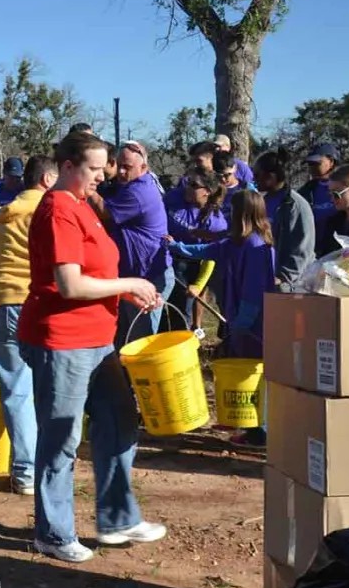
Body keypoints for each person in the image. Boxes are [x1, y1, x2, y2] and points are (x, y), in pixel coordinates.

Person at [19, 131, 165, 564]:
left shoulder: (83, 205)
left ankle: (118, 518)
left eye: (107, 169)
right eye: (96, 169)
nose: (105, 176)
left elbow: (95, 272)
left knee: (120, 422)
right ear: (67, 167)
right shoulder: (58, 209)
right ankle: (53, 532)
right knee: (62, 436)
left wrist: (125, 293)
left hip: (99, 340)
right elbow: (69, 283)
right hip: (62, 340)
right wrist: (130, 283)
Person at [170, 190, 276, 448]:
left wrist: (243, 321)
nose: (227, 214)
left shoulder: (256, 246)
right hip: (236, 320)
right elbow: (207, 249)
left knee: (257, 375)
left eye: (231, 210)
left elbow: (255, 290)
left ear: (244, 213)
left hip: (255, 325)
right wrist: (175, 246)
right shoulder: (233, 243)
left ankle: (261, 431)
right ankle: (249, 426)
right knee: (244, 371)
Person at [0, 155, 56, 497]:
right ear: (46, 180)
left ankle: (25, 472)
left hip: (2, 303)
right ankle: (48, 467)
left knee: (16, 389)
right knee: (50, 386)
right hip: (39, 304)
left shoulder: (4, 214)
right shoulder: (50, 211)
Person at [104, 142, 174, 344]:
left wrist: (83, 185)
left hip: (150, 277)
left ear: (143, 168)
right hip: (132, 276)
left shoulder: (138, 192)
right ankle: (126, 376)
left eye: (128, 167)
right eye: (120, 166)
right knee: (122, 340)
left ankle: (145, 376)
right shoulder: (124, 187)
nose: (122, 172)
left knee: (140, 342)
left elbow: (104, 213)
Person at [165, 167, 227, 326]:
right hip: (162, 258)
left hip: (187, 268)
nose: (187, 186)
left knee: (179, 314)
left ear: (207, 191)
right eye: (187, 181)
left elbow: (211, 257)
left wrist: (198, 285)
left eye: (193, 184)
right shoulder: (174, 197)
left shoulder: (215, 222)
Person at [253, 151, 316, 291]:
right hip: (266, 280)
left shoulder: (295, 205)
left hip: (289, 286)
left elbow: (302, 248)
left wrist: (283, 277)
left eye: (257, 174)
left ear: (271, 176)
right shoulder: (263, 201)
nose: (253, 178)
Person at [298, 143, 340, 225]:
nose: (312, 167)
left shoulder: (346, 189)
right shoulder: (306, 190)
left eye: (316, 163)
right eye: (310, 164)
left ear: (331, 162)